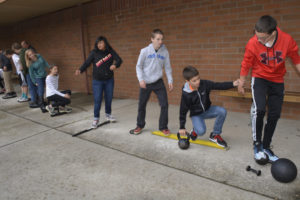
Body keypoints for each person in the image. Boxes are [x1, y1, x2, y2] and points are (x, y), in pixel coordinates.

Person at [238, 15, 300, 162]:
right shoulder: (253, 42)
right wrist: (241, 81)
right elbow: (246, 62)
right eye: (256, 36)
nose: (258, 40)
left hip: (277, 80)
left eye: (262, 38)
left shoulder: (286, 40)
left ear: (272, 33)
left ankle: (266, 145)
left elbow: (296, 60)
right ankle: (257, 144)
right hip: (259, 78)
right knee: (259, 110)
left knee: (274, 114)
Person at [179, 66, 239, 147]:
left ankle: (215, 135)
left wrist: (232, 84)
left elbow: (218, 85)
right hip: (196, 114)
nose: (198, 82)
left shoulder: (204, 84)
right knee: (201, 131)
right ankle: (195, 131)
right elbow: (183, 110)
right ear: (187, 81)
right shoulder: (186, 94)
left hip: (207, 110)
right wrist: (182, 127)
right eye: (194, 81)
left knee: (222, 111)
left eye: (198, 78)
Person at [129, 29, 173, 136]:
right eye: (158, 39)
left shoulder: (165, 52)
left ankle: (163, 126)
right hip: (146, 82)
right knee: (142, 105)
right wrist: (141, 79)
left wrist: (170, 80)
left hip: (158, 82)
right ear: (152, 39)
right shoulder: (144, 51)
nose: (160, 41)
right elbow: (138, 66)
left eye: (161, 39)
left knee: (164, 104)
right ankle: (140, 125)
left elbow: (167, 67)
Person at [75, 36, 122, 128]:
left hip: (109, 80)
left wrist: (115, 65)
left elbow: (119, 60)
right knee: (97, 100)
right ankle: (96, 118)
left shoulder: (110, 51)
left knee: (109, 98)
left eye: (101, 43)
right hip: (97, 81)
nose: (99, 45)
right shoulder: (94, 53)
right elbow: (87, 63)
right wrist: (80, 70)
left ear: (105, 43)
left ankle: (108, 115)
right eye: (98, 43)